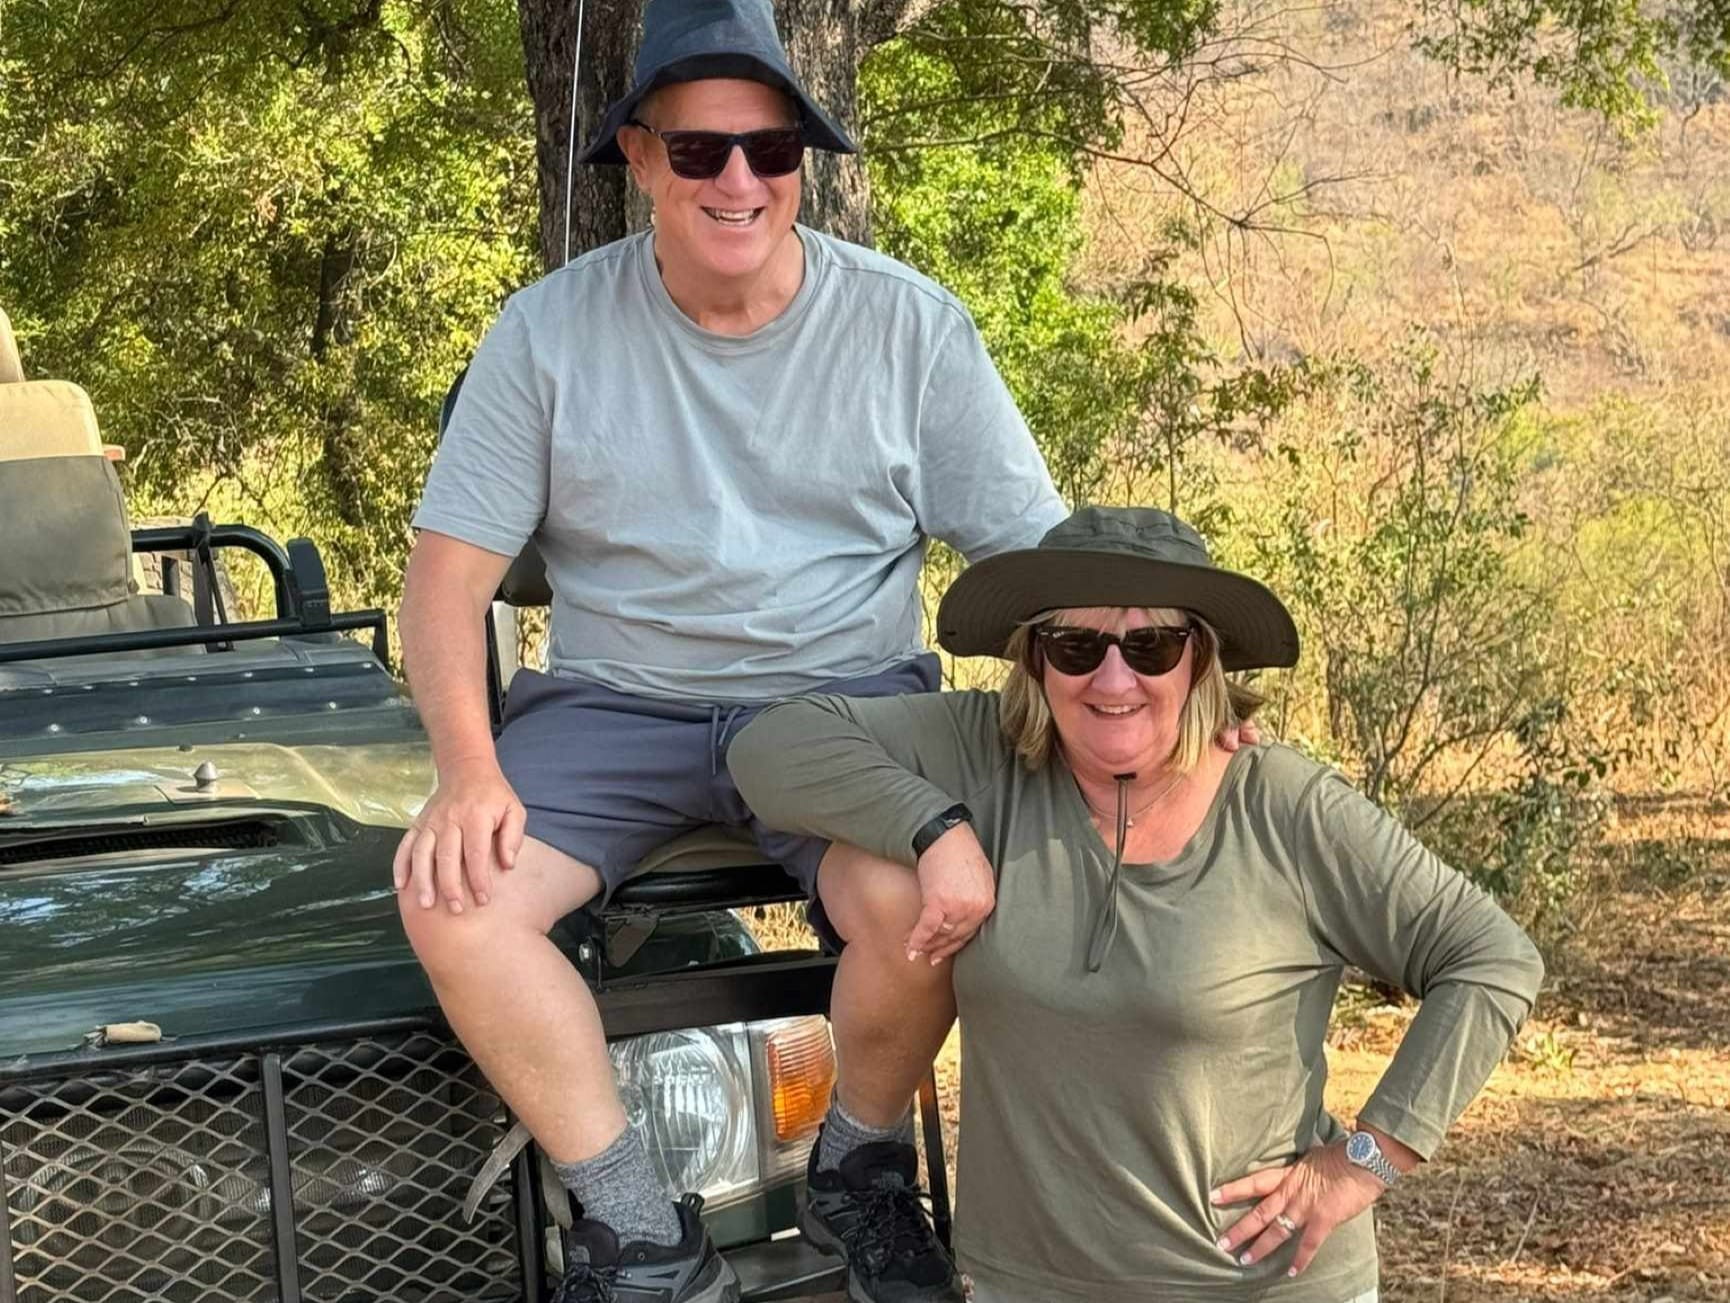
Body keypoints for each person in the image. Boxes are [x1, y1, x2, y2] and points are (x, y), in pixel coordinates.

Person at [391, 0, 1067, 1298]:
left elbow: (1034, 561)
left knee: (922, 903)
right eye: (700, 150)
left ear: (801, 161)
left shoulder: (911, 329)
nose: (738, 179)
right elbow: (444, 581)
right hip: (614, 701)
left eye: (770, 148)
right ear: (642, 158)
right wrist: (468, 772)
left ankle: (856, 1172)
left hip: (841, 706)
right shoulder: (545, 332)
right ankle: (640, 1230)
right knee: (451, 897)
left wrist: (1166, 675)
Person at [729, 505, 1547, 1303]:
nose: (1114, 679)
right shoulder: (986, 757)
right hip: (1022, 1283)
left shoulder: (1285, 807)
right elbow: (771, 746)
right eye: (1076, 645)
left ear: (1199, 658)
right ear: (1035, 659)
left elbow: (1490, 958)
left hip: (1258, 1287)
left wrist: (1366, 1160)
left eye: (1152, 646)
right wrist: (934, 829)